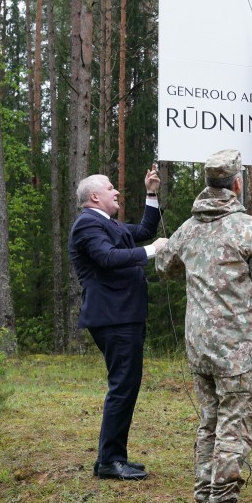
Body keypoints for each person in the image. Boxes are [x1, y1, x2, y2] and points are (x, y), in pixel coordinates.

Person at [157, 149, 252, 503]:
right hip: (234, 345)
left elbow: (165, 265)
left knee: (210, 421)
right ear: (237, 183)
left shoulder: (188, 228)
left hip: (198, 343)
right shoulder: (250, 228)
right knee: (236, 422)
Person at [68, 168, 167, 480]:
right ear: (94, 196)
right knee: (122, 388)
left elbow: (143, 230)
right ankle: (110, 461)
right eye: (111, 188)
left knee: (126, 386)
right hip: (114, 319)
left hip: (125, 316)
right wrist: (152, 252)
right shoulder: (87, 224)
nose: (117, 193)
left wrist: (151, 193)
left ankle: (111, 458)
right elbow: (109, 258)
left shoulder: (108, 223)